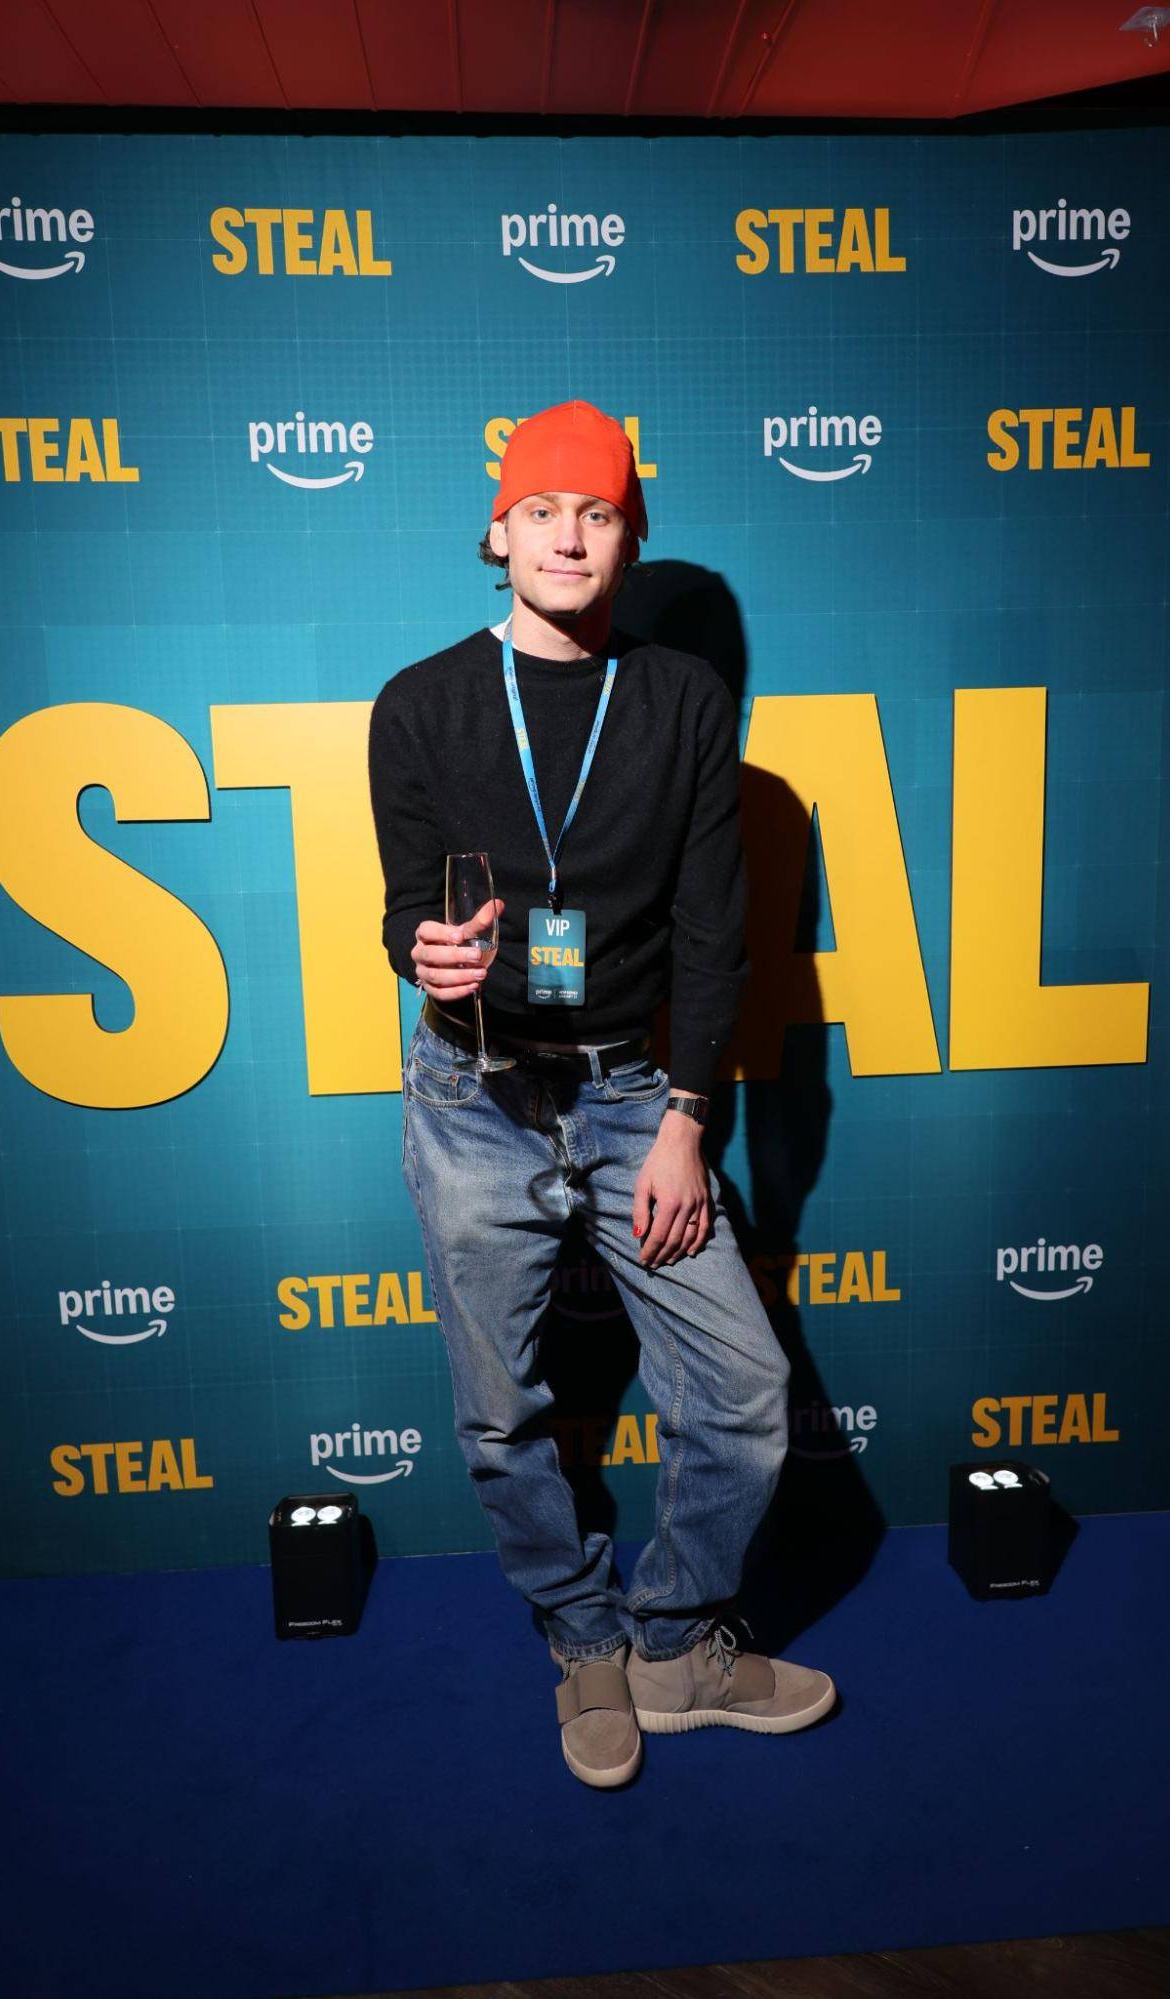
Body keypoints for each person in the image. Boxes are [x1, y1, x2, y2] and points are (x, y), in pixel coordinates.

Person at [367, 398, 835, 1787]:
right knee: (500, 1409)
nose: (567, 537)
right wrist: (422, 950)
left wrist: (687, 1122)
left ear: (627, 539)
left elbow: (714, 934)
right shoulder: (420, 705)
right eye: (542, 511)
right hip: (473, 1093)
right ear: (497, 534)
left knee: (744, 1388)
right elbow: (403, 906)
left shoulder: (683, 700)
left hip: (637, 1094)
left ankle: (674, 1643)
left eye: (598, 513)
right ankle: (581, 1637)